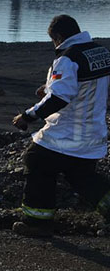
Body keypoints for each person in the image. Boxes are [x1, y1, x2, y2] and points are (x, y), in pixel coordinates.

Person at [11, 14, 110, 237]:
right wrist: (48, 88)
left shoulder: (67, 58)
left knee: (36, 160)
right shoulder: (101, 53)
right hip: (93, 134)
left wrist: (27, 116)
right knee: (82, 177)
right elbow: (86, 86)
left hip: (67, 134)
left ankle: (37, 222)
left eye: (53, 40)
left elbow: (60, 98)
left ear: (57, 37)